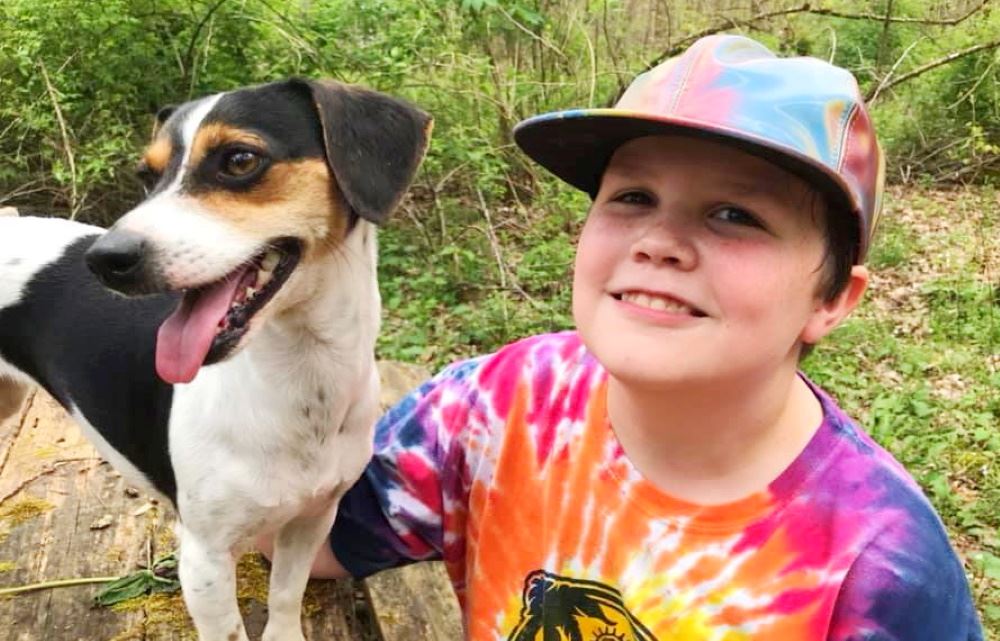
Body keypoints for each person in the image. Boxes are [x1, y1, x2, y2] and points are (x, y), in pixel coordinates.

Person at [262, 34, 985, 639]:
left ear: (831, 298)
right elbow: (303, 536)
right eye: (632, 196)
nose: (659, 240)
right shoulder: (495, 407)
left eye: (735, 213)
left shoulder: (879, 562)